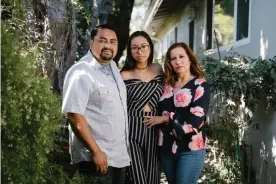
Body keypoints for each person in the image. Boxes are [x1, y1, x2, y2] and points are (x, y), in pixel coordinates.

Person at [62, 24, 130, 184]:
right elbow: (73, 115)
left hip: (118, 157)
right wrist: (96, 152)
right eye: (103, 40)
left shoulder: (113, 68)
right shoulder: (82, 72)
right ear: (91, 42)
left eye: (113, 42)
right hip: (96, 159)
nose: (108, 45)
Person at [144, 42, 210, 184]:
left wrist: (165, 119)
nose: (178, 61)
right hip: (167, 149)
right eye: (173, 58)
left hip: (190, 149)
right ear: (169, 63)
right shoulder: (166, 86)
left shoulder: (200, 85)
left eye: (181, 56)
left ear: (190, 58)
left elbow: (195, 123)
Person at [120, 31, 163, 184]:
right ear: (130, 51)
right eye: (135, 48)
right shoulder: (123, 75)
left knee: (152, 177)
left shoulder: (159, 69)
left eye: (144, 46)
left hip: (154, 128)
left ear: (150, 48)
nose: (140, 51)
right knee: (137, 178)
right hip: (132, 127)